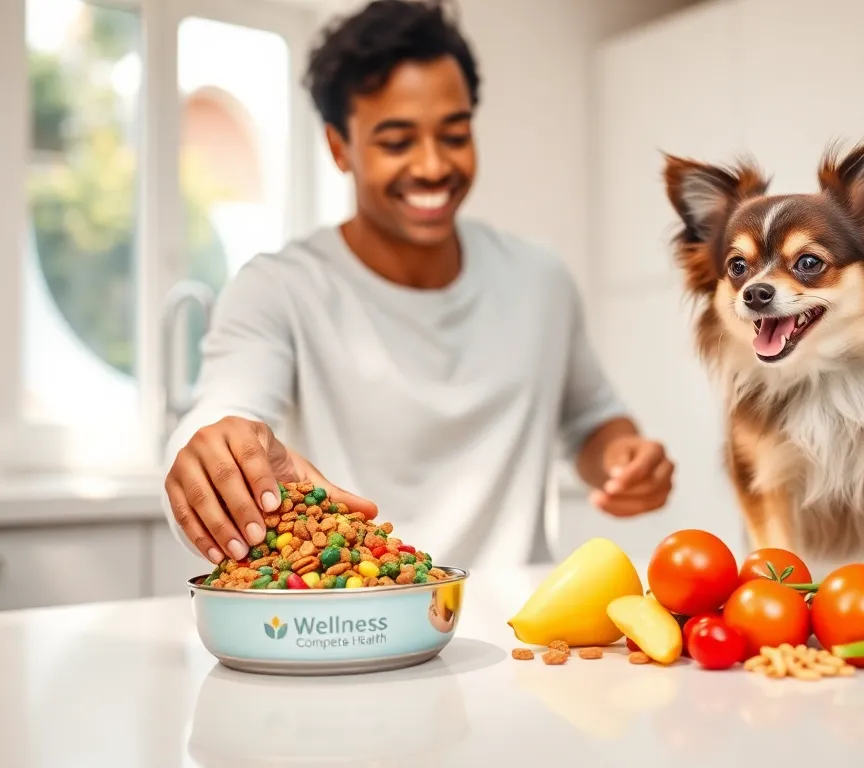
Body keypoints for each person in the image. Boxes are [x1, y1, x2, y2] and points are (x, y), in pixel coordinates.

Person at [160, 0, 674, 571]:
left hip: (523, 613)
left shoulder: (541, 280)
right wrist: (213, 450)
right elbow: (225, 409)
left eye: (454, 134)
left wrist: (624, 460)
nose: (432, 166)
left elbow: (592, 423)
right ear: (339, 147)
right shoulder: (278, 288)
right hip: (362, 606)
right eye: (397, 142)